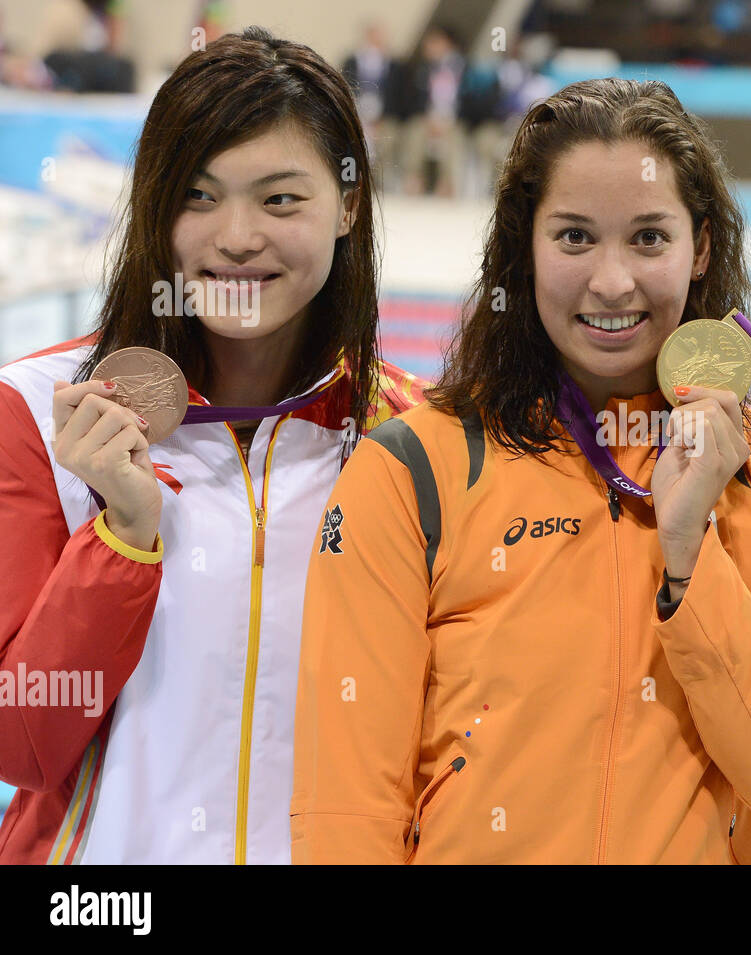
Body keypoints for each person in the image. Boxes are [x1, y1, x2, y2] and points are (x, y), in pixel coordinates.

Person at [291, 77, 751, 864]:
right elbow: (345, 811)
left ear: (701, 247)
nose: (612, 281)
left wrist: (690, 553)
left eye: (650, 238)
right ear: (524, 249)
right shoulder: (414, 469)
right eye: (575, 237)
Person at [0, 26, 428, 864]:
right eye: (197, 196)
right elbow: (23, 742)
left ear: (348, 206)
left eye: (279, 199)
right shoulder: (38, 413)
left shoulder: (413, 438)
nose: (236, 237)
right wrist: (122, 536)